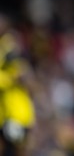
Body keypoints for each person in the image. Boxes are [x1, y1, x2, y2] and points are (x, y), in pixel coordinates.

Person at [0, 12, 36, 156]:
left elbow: (23, 75)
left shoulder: (10, 46)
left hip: (17, 113)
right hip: (5, 113)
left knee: (18, 148)